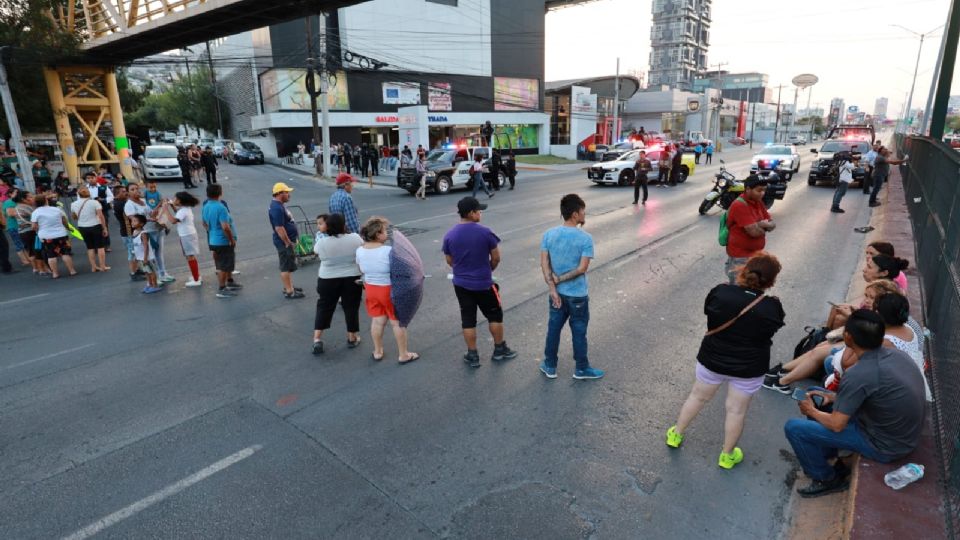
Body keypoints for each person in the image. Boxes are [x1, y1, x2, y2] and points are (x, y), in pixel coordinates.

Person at [784, 309, 926, 498]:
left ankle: (826, 478)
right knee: (816, 394)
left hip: (883, 445)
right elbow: (875, 393)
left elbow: (836, 424)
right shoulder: (896, 354)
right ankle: (829, 456)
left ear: (848, 338)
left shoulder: (859, 374)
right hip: (898, 433)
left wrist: (811, 410)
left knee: (794, 428)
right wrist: (834, 398)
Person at [666, 253, 786, 469]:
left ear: (745, 269)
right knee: (736, 411)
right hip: (749, 366)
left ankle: (676, 434)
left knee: (697, 397)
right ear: (771, 281)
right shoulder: (771, 307)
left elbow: (708, 313)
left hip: (712, 358)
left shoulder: (721, 292)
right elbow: (771, 330)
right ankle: (727, 455)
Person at [442, 196, 518, 368]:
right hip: (484, 283)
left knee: (468, 318)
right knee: (495, 315)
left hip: (461, 284)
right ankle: (499, 349)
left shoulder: (450, 235)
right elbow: (496, 258)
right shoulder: (485, 232)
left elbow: (449, 260)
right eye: (478, 210)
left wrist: (462, 270)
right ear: (471, 213)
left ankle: (472, 354)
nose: (481, 213)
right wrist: (487, 270)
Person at [539, 193, 603, 380]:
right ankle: (581, 369)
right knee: (579, 332)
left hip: (557, 295)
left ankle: (550, 365)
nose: (584, 214)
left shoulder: (549, 235)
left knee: (553, 330)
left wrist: (553, 288)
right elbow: (582, 268)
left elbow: (544, 264)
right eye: (583, 211)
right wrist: (560, 280)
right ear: (575, 214)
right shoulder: (585, 238)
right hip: (577, 296)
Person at [356, 216, 419, 364]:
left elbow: (360, 269)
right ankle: (403, 354)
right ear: (378, 234)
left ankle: (378, 351)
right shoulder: (388, 251)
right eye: (384, 231)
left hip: (371, 289)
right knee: (397, 323)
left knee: (377, 321)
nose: (387, 234)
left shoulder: (360, 250)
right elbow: (401, 270)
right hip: (389, 290)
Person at [311, 213, 364, 355]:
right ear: (343, 225)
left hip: (327, 278)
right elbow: (362, 250)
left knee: (324, 307)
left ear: (328, 226)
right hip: (351, 277)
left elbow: (316, 252)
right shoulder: (355, 238)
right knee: (351, 307)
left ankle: (317, 339)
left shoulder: (322, 243)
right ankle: (352, 337)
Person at [724, 175, 775, 283]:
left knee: (750, 288)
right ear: (748, 189)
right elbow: (755, 232)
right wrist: (763, 225)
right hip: (740, 257)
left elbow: (773, 223)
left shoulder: (758, 202)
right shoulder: (739, 205)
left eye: (764, 190)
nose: (762, 193)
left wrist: (760, 225)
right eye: (759, 190)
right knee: (738, 290)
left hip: (754, 255)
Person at [201, 183, 239, 298]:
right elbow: (225, 227)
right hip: (223, 241)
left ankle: (227, 284)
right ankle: (222, 288)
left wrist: (212, 231)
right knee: (224, 265)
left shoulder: (206, 206)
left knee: (221, 264)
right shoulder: (221, 207)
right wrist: (231, 240)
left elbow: (204, 223)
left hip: (213, 239)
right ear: (220, 193)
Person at [269, 182, 305, 299]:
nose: (289, 194)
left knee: (288, 265)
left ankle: (289, 286)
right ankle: (289, 291)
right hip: (284, 242)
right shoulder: (276, 208)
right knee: (285, 266)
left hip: (286, 240)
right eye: (286, 192)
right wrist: (287, 242)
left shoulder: (279, 205)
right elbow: (279, 227)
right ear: (279, 193)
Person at [161, 191, 203, 287]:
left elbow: (172, 220)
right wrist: (171, 205)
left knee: (190, 257)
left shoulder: (183, 211)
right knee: (190, 256)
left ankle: (196, 280)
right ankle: (196, 276)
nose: (173, 199)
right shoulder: (184, 209)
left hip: (187, 236)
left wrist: (165, 209)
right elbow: (177, 214)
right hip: (188, 235)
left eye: (175, 198)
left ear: (180, 201)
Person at [30, 193, 77, 278]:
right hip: (61, 234)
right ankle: (72, 270)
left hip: (46, 236)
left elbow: (34, 226)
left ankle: (55, 273)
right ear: (46, 201)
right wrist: (69, 229)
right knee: (65, 253)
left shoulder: (35, 213)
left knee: (51, 255)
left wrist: (38, 229)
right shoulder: (56, 209)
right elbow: (64, 221)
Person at [70, 186, 110, 272]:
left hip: (82, 227)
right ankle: (103, 266)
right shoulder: (95, 202)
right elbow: (101, 216)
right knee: (100, 247)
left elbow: (74, 217)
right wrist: (104, 228)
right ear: (89, 193)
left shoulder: (73, 204)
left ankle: (94, 267)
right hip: (95, 225)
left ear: (78, 194)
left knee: (90, 247)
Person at [143, 181, 174, 283]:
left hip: (158, 225)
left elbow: (161, 202)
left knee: (159, 253)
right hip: (149, 228)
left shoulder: (158, 193)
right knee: (151, 253)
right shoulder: (144, 195)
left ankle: (163, 273)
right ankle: (155, 276)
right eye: (150, 187)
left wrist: (156, 209)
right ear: (146, 187)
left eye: (154, 187)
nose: (152, 189)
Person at [112, 185, 142, 281]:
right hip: (128, 232)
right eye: (123, 191)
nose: (126, 193)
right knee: (132, 253)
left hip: (127, 231)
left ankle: (136, 269)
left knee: (135, 252)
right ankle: (133, 273)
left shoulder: (119, 202)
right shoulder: (120, 204)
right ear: (117, 194)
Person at [130, 214, 162, 294]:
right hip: (140, 257)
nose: (132, 223)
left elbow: (146, 246)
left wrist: (145, 258)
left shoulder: (143, 233)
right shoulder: (134, 232)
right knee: (146, 272)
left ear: (141, 223)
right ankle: (149, 284)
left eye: (135, 221)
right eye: (132, 221)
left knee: (151, 272)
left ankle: (155, 286)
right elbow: (135, 246)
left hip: (147, 257)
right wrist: (136, 256)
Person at [3, 187, 30, 267]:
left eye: (18, 192)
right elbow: (10, 214)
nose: (18, 193)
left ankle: (28, 259)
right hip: (13, 226)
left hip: (21, 225)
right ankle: (24, 261)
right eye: (16, 192)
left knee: (24, 243)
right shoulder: (8, 202)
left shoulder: (18, 201)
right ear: (10, 194)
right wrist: (24, 212)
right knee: (19, 244)